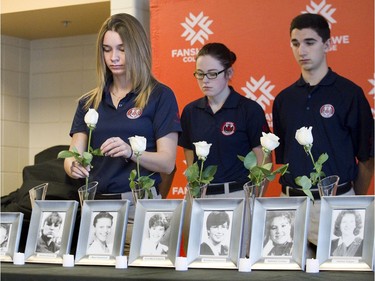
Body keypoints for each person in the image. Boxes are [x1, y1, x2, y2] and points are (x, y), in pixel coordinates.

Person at [272, 13, 374, 255]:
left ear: (327, 44)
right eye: (295, 44)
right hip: (290, 205)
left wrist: (350, 202)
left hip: (337, 203)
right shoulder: (283, 99)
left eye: (310, 42)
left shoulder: (350, 94)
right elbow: (284, 160)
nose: (301, 51)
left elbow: (367, 158)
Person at [63, 13, 181, 199]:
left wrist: (131, 152)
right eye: (107, 49)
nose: (114, 57)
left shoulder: (159, 96)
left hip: (140, 202)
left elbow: (167, 163)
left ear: (138, 49)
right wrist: (73, 166)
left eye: (122, 49)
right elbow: (72, 155)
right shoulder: (89, 102)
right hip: (96, 204)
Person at [179, 42, 270, 198]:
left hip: (239, 195)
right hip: (202, 197)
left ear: (229, 73)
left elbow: (264, 164)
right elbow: (190, 162)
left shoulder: (249, 110)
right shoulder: (190, 112)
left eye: (212, 73)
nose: (205, 80)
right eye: (200, 74)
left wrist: (252, 200)